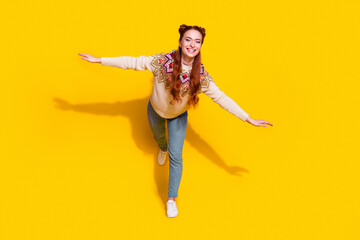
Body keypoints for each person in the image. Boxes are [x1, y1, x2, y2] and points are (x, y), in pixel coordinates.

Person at [78, 24, 273, 218]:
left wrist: (248, 118)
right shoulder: (162, 61)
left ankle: (171, 199)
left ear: (200, 46)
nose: (192, 44)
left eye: (197, 41)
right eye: (188, 39)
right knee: (159, 137)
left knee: (176, 156)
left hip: (177, 117)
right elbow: (133, 62)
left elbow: (222, 98)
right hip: (154, 110)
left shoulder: (201, 76)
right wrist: (99, 60)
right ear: (180, 42)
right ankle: (162, 147)